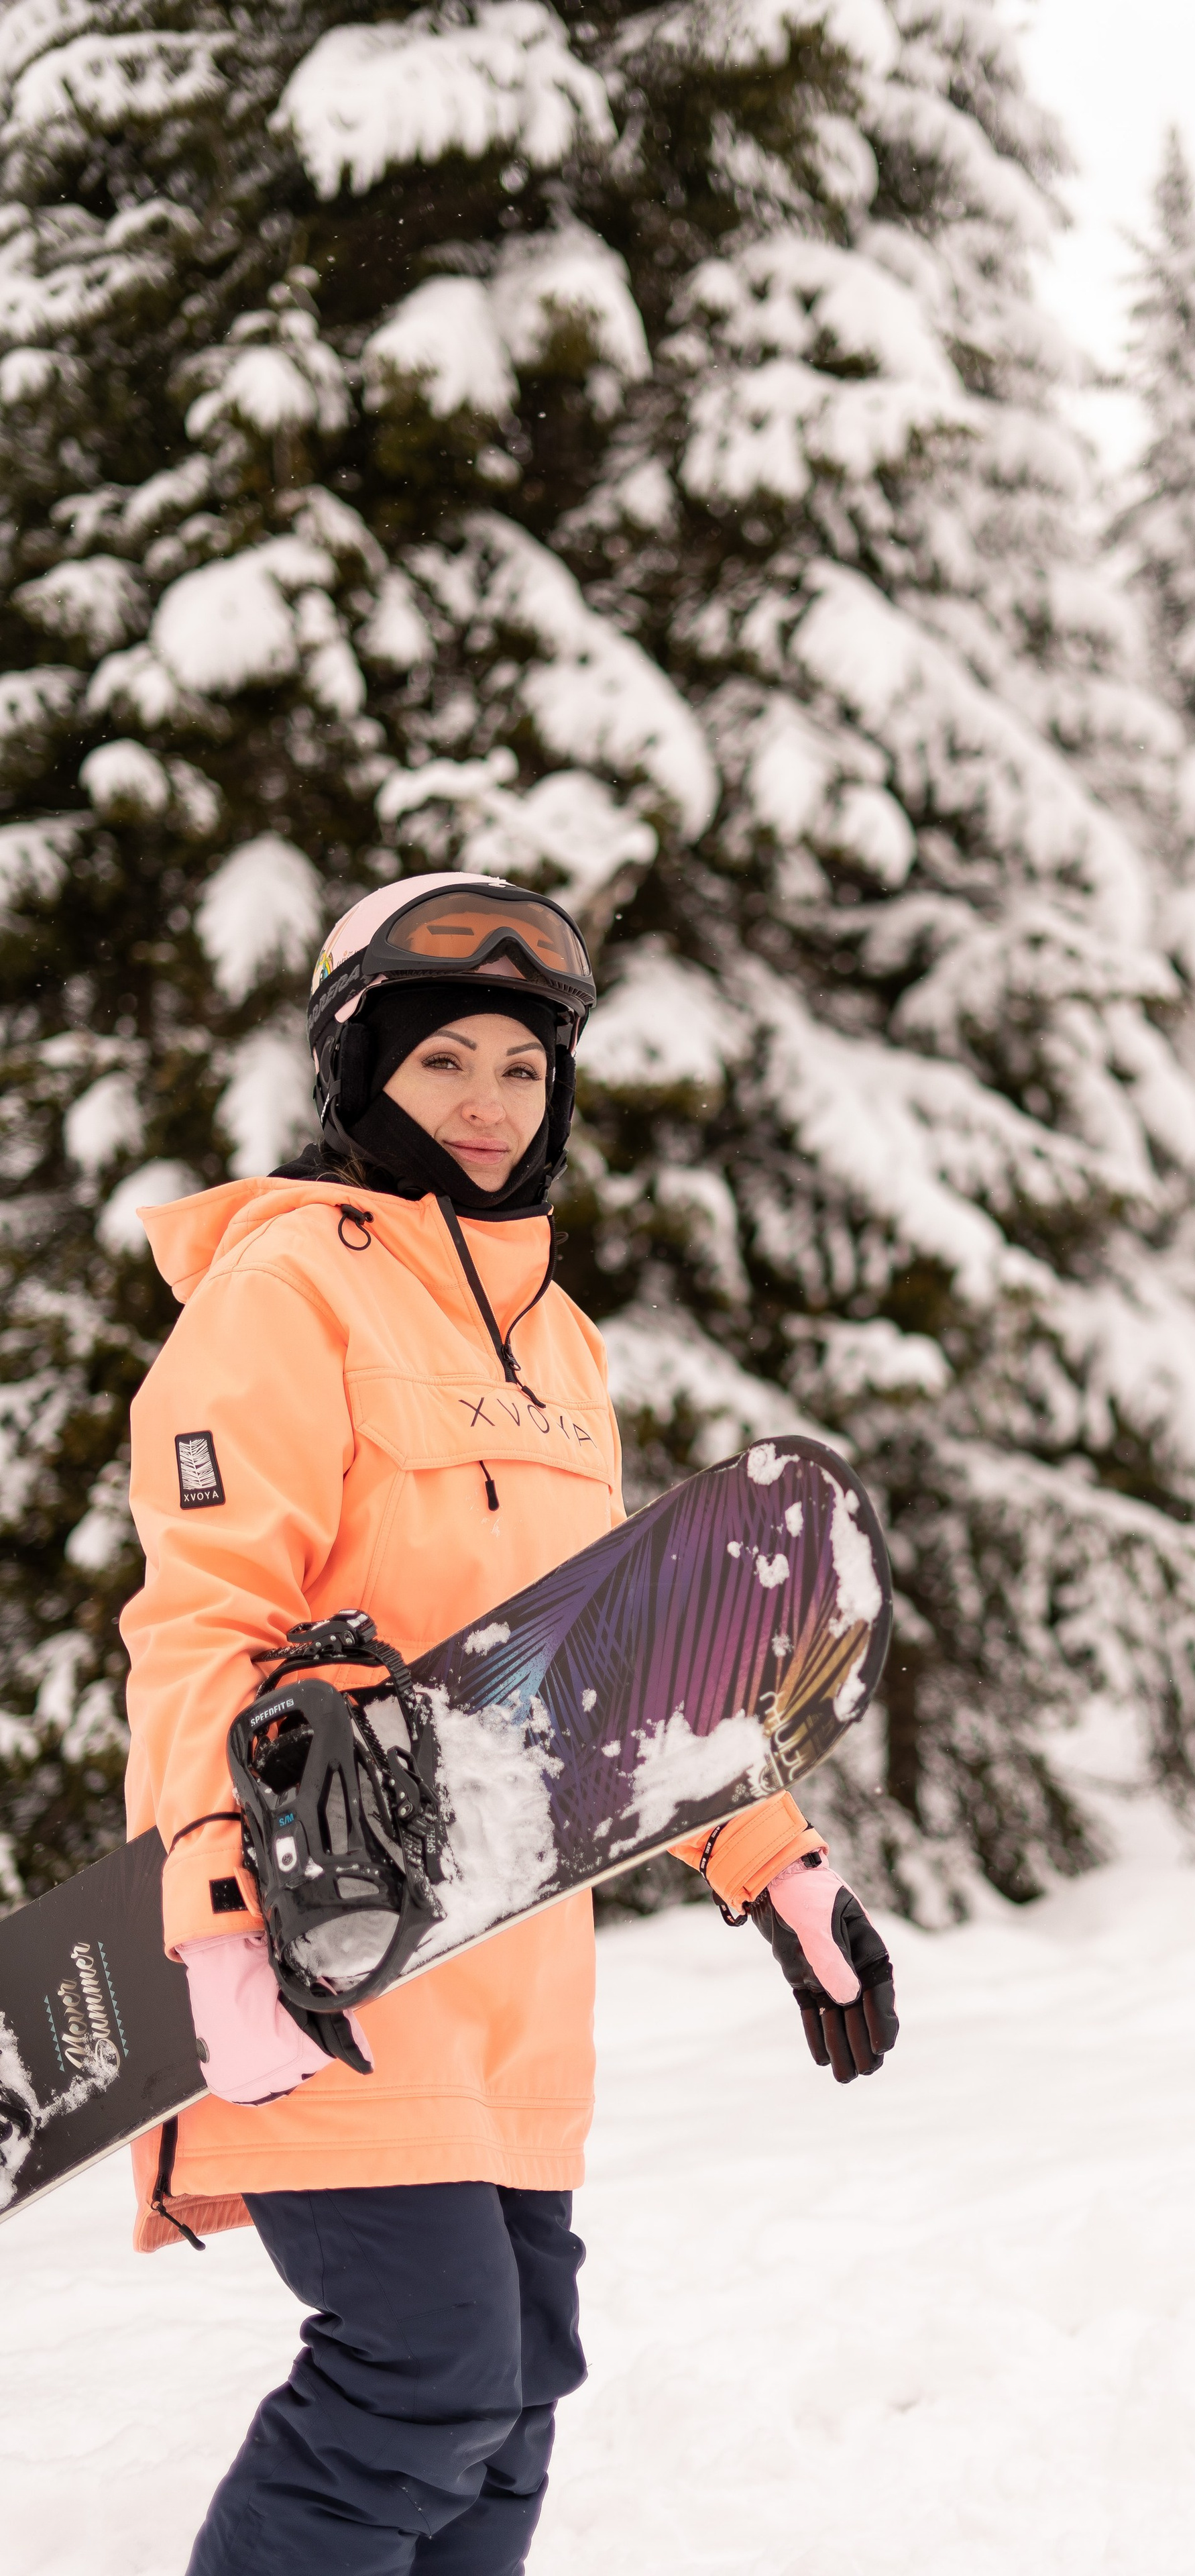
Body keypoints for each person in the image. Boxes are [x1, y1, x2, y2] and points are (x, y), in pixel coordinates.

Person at [119, 873, 899, 2575]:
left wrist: (777, 1866)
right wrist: (215, 1927)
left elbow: (614, 1671)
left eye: (521, 1070)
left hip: (515, 1977)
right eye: (442, 1062)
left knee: (512, 2406)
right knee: (422, 2378)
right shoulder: (284, 1296)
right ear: (359, 1078)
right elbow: (202, 1622)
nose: (486, 1104)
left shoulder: (564, 1346)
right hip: (324, 1948)